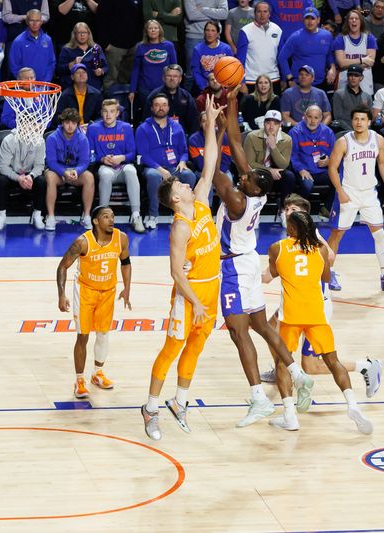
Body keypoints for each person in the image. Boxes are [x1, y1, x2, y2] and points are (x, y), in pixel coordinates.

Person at [217, 87, 314, 428]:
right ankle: (298, 373)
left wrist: (211, 131)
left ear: (254, 187)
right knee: (259, 324)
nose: (242, 174)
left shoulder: (238, 200)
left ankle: (258, 396)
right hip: (247, 260)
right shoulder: (253, 190)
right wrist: (229, 102)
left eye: (246, 176)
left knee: (239, 332)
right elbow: (238, 143)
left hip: (233, 268)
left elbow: (212, 170)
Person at [140, 96, 223, 440]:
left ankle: (181, 401)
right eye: (180, 185)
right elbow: (176, 273)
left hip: (212, 285)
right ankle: (150, 407)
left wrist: (211, 124)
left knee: (196, 346)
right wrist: (196, 302)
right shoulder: (180, 227)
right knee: (172, 347)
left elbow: (210, 165)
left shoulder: (201, 202)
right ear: (175, 198)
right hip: (189, 294)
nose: (187, 183)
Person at [259, 193, 384, 391]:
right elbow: (268, 275)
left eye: (294, 210)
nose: (288, 212)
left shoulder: (312, 234)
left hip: (317, 305)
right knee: (269, 328)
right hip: (298, 302)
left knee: (311, 365)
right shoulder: (292, 238)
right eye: (287, 209)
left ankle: (367, 366)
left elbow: (331, 256)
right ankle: (281, 368)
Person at [265, 210, 374, 433]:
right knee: (333, 361)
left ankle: (289, 415)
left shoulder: (277, 248)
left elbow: (274, 272)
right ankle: (352, 404)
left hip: (291, 316)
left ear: (292, 229)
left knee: (283, 363)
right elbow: (325, 277)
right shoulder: (321, 250)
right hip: (317, 313)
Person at [57, 205, 132, 399]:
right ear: (96, 221)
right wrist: (61, 294)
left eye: (113, 216)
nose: (111, 220)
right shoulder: (83, 242)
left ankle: (97, 373)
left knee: (103, 334)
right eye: (106, 217)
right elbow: (62, 267)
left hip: (108, 291)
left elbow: (125, 263)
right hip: (85, 292)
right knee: (83, 336)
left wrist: (127, 288)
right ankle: (80, 379)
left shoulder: (121, 238)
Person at [327, 106, 384, 292]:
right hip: (348, 193)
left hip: (369, 193)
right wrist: (340, 191)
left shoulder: (378, 139)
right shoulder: (343, 142)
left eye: (362, 119)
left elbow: (382, 163)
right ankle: (328, 273)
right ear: (352, 121)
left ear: (369, 121)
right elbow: (332, 168)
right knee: (337, 234)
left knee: (379, 233)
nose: (359, 122)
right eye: (356, 119)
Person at [136, 94, 196, 229]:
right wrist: (160, 169)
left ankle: (183, 213)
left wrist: (182, 161)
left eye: (164, 105)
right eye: (157, 105)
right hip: (153, 167)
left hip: (175, 165)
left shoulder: (177, 127)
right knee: (154, 176)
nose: (160, 108)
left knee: (189, 175)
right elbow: (143, 155)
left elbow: (184, 151)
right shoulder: (143, 128)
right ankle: (153, 215)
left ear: (168, 108)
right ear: (151, 108)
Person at [87, 100, 144, 233]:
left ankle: (136, 215)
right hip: (104, 167)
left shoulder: (126, 128)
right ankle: (103, 215)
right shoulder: (93, 129)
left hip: (123, 166)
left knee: (131, 170)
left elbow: (132, 153)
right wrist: (102, 159)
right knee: (106, 175)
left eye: (112, 111)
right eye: (105, 111)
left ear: (117, 113)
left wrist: (122, 157)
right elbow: (89, 154)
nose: (108, 115)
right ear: (101, 112)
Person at [45, 108, 94, 231]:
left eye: (73, 123)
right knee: (50, 177)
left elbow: (84, 161)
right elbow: (51, 162)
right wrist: (63, 172)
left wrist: (76, 171)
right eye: (67, 122)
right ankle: (50, 216)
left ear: (77, 124)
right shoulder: (52, 138)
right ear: (62, 123)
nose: (70, 126)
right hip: (58, 172)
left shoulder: (83, 139)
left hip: (74, 172)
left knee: (89, 177)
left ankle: (86, 216)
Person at [243, 109, 295, 222]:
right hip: (256, 174)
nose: (271, 127)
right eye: (268, 123)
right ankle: (253, 211)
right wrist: (269, 170)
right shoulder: (252, 137)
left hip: (276, 177)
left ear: (280, 125)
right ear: (264, 123)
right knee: (250, 175)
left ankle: (282, 209)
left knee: (289, 176)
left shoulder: (287, 140)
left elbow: (284, 164)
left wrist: (273, 147)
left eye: (275, 123)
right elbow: (249, 162)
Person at [0, 123, 47, 232]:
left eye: (32, 125)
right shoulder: (8, 140)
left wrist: (30, 176)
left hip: (29, 175)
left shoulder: (40, 141)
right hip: (13, 174)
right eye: (26, 125)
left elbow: (39, 166)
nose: (29, 128)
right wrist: (18, 178)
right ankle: (2, 215)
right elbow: (3, 167)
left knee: (42, 180)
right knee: (1, 180)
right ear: (20, 125)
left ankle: (37, 215)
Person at [277, 7, 337, 90]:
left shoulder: (327, 36)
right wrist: (289, 78)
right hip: (299, 84)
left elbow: (329, 55)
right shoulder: (295, 37)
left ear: (318, 20)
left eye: (312, 18)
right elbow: (282, 58)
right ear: (303, 20)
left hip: (320, 83)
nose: (310, 22)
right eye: (307, 18)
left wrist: (332, 68)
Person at [129, 20, 178, 117]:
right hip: (145, 89)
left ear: (160, 30)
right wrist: (132, 90)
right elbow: (136, 70)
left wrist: (175, 87)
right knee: (148, 116)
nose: (153, 30)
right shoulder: (141, 47)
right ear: (146, 31)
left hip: (165, 88)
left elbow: (175, 68)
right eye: (150, 28)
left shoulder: (169, 46)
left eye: (155, 28)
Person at [289, 105, 336, 201]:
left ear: (321, 118)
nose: (313, 121)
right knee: (307, 185)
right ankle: (297, 207)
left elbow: (335, 154)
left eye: (316, 117)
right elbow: (292, 156)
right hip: (304, 171)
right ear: (304, 116)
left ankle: (327, 209)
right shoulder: (295, 132)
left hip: (322, 171)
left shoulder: (328, 132)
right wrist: (301, 169)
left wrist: (329, 161)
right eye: (310, 117)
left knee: (340, 180)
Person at [94, 0, 143, 89]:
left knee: (127, 79)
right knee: (110, 78)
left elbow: (140, 21)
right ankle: (109, 101)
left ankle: (124, 101)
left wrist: (138, 42)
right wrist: (105, 43)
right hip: (113, 47)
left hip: (133, 46)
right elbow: (100, 19)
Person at [236, 1, 283, 94]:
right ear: (254, 13)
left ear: (269, 14)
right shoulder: (245, 31)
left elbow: (281, 56)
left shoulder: (277, 30)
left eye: (265, 11)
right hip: (251, 80)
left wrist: (284, 78)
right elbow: (240, 59)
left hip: (273, 79)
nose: (262, 15)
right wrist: (241, 82)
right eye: (259, 11)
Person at [145, 64, 200, 135]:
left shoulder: (186, 96)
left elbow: (194, 120)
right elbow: (147, 119)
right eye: (169, 76)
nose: (172, 79)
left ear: (180, 79)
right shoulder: (154, 96)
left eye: (175, 76)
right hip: (158, 134)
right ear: (163, 78)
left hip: (181, 135)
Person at [332, 9, 377, 95]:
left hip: (365, 82)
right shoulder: (340, 39)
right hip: (345, 81)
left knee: (364, 108)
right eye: (351, 18)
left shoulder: (369, 38)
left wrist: (348, 64)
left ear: (361, 22)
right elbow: (341, 63)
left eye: (356, 18)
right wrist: (362, 60)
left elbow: (370, 62)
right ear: (347, 22)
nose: (354, 20)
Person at [56, 23, 108, 90]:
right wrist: (72, 64)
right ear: (74, 35)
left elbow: (105, 67)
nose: (82, 35)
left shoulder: (96, 48)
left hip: (93, 88)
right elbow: (59, 70)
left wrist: (101, 71)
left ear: (89, 34)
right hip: (72, 88)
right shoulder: (67, 49)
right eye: (79, 33)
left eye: (84, 32)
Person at [8, 9, 56, 82]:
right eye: (32, 20)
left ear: (41, 22)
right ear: (27, 22)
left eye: (37, 21)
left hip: (44, 86)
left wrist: (46, 82)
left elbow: (51, 63)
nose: (35, 23)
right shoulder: (18, 41)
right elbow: (14, 66)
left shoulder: (48, 40)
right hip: (25, 87)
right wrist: (25, 83)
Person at [183, 0, 228, 70]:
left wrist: (202, 9)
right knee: (191, 73)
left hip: (214, 37)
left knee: (214, 70)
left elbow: (224, 14)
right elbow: (192, 15)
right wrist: (215, 15)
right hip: (194, 37)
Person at [191, 20, 233, 92]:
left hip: (223, 87)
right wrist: (204, 86)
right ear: (204, 32)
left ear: (218, 33)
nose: (209, 33)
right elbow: (195, 71)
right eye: (207, 30)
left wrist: (225, 86)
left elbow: (231, 69)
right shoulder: (198, 49)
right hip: (205, 87)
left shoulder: (226, 49)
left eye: (213, 31)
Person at [332, 64, 373, 131]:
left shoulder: (367, 96)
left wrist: (364, 131)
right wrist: (352, 132)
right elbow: (338, 118)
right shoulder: (339, 94)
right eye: (350, 75)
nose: (353, 78)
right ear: (347, 77)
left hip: (363, 131)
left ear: (361, 77)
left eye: (356, 75)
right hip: (344, 131)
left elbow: (369, 118)